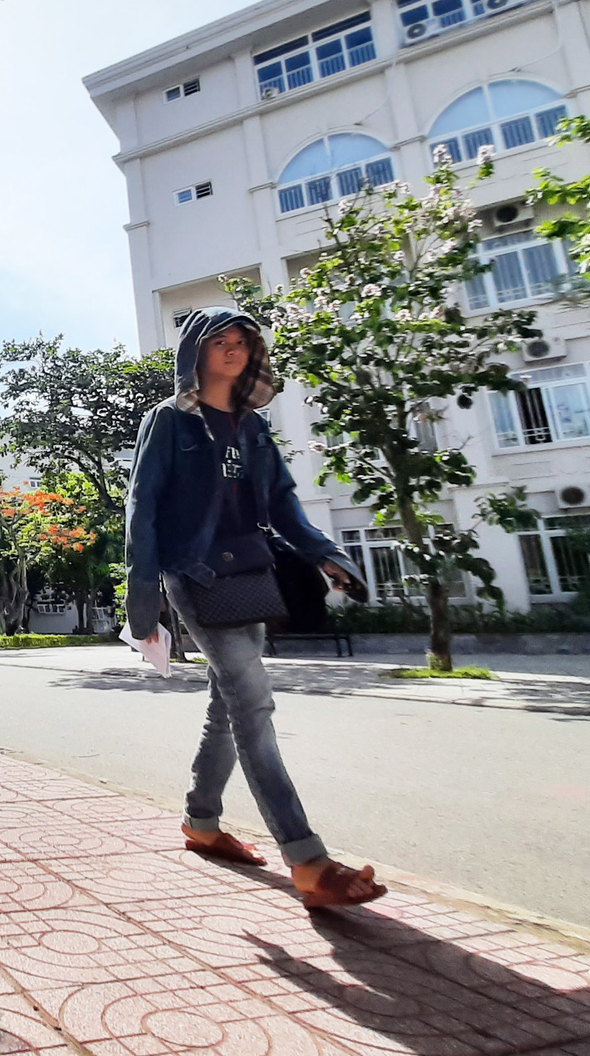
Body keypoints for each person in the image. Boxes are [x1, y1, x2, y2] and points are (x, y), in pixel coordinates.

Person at [124, 306, 388, 910]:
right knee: (253, 700)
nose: (233, 348)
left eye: (242, 340)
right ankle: (308, 859)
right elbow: (143, 508)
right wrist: (144, 600)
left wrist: (327, 554)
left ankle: (202, 822)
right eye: (220, 340)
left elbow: (283, 504)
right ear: (195, 351)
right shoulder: (167, 421)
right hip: (193, 575)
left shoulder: (253, 427)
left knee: (229, 702)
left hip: (251, 573)